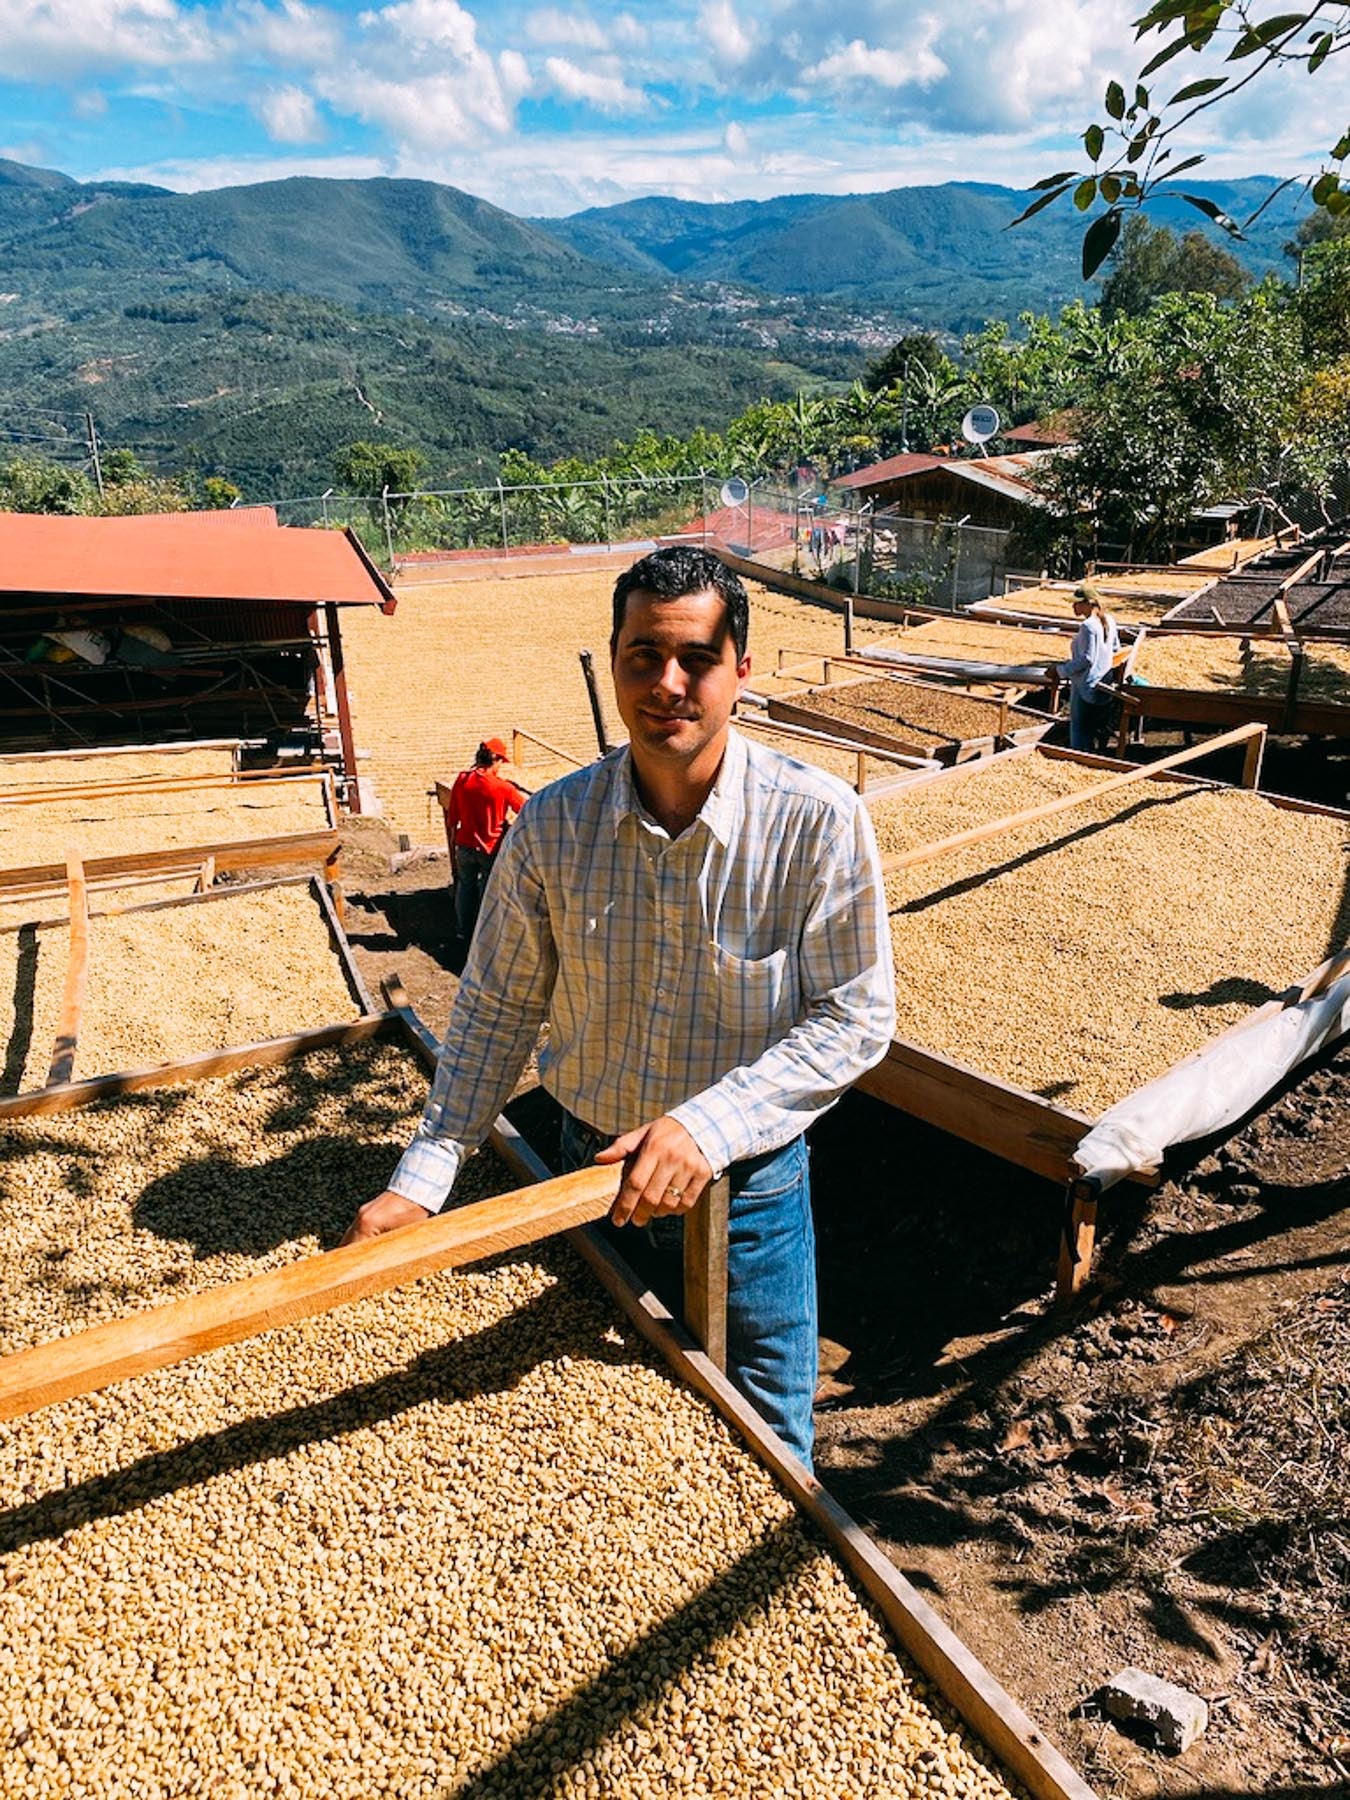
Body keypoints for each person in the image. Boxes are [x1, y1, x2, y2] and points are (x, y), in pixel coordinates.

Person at [344, 545, 896, 1468]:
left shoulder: (817, 822)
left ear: (741, 671)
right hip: (585, 1174)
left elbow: (854, 1016)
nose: (668, 683)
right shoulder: (553, 826)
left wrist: (708, 1127)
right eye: (644, 655)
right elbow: (495, 1010)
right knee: (603, 1442)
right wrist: (421, 1179)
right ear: (613, 659)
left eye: (697, 658)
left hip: (748, 1191)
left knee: (770, 1444)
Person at [443, 738, 526, 947]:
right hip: (490, 848)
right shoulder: (502, 788)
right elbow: (525, 809)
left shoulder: (462, 780)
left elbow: (453, 815)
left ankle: (463, 932)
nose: (501, 767)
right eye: (500, 762)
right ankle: (485, 935)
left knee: (465, 887)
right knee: (488, 892)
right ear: (494, 760)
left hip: (465, 845)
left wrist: (454, 842)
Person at [1048, 586, 1121, 753]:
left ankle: (1079, 757)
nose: (1074, 607)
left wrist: (1060, 671)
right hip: (1103, 683)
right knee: (1092, 727)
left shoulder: (1088, 626)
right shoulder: (1109, 620)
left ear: (1089, 604)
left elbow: (1086, 659)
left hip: (1085, 685)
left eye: (1077, 604)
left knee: (1079, 729)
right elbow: (1115, 649)